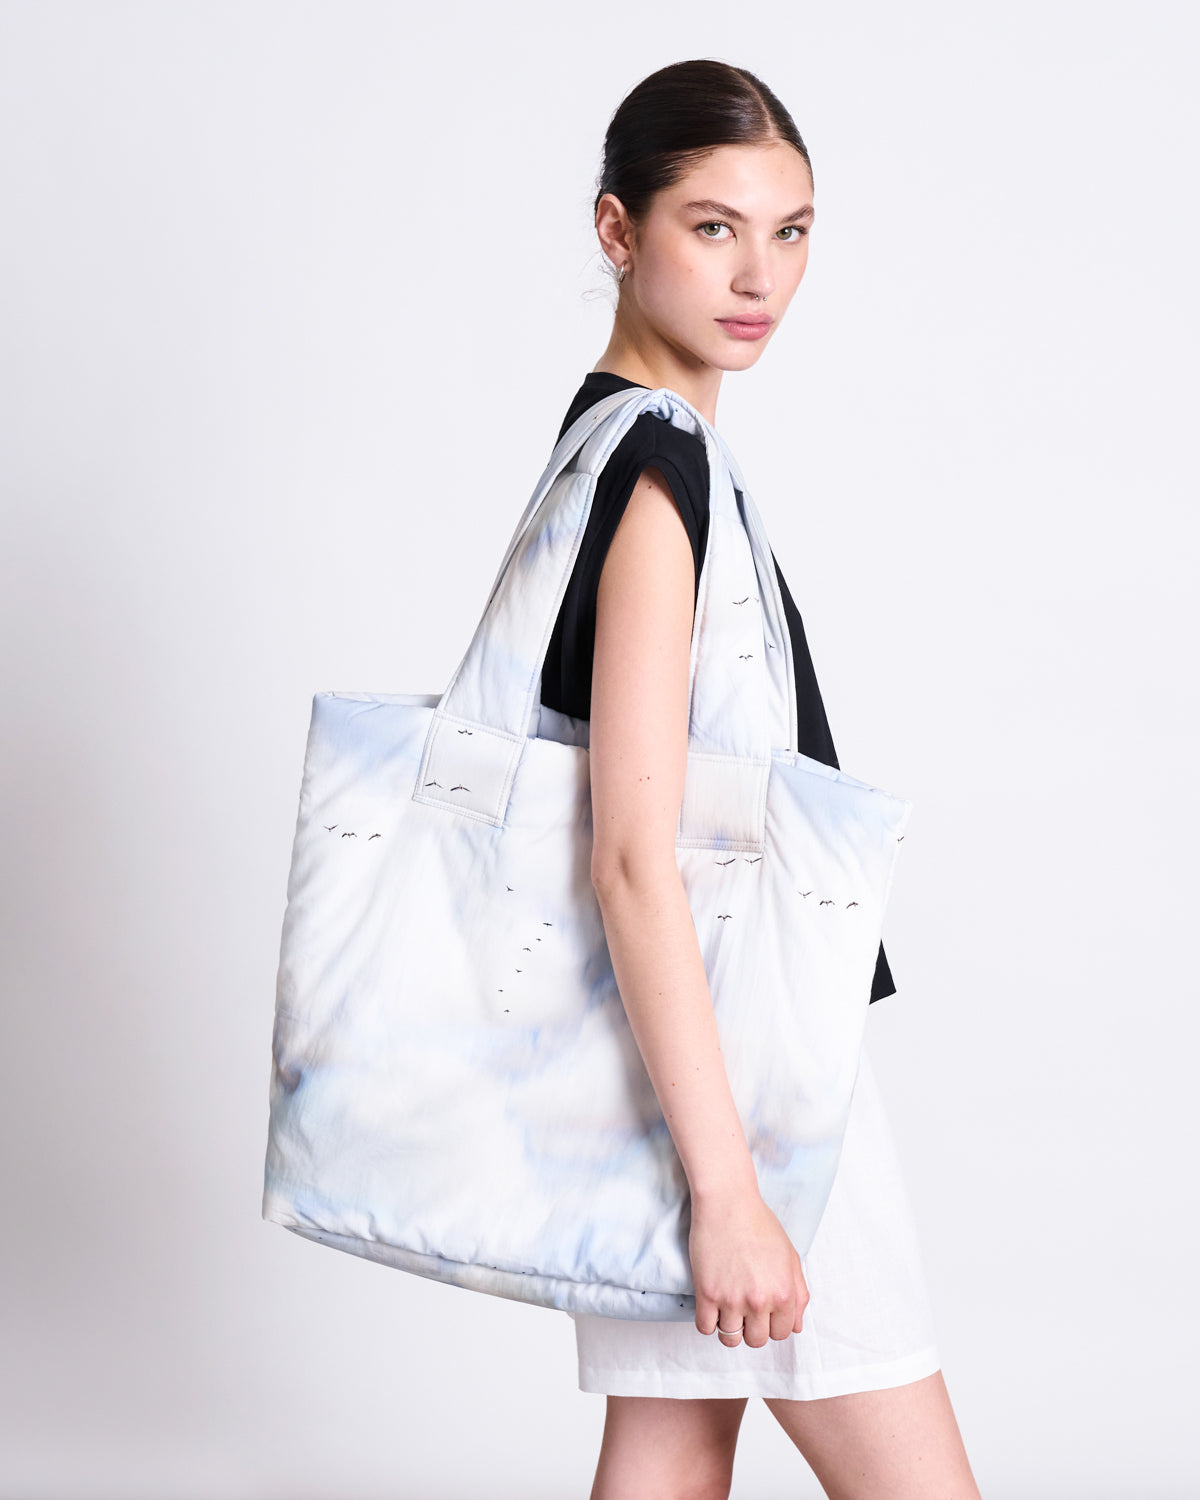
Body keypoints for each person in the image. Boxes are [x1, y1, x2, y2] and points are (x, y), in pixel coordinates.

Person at [539, 61, 983, 1500]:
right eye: (713, 226)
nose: (762, 274)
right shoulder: (658, 471)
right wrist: (730, 1190)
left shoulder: (614, 448)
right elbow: (627, 853)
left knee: (671, 1451)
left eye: (791, 231)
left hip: (676, 1078)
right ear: (619, 231)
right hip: (753, 1094)